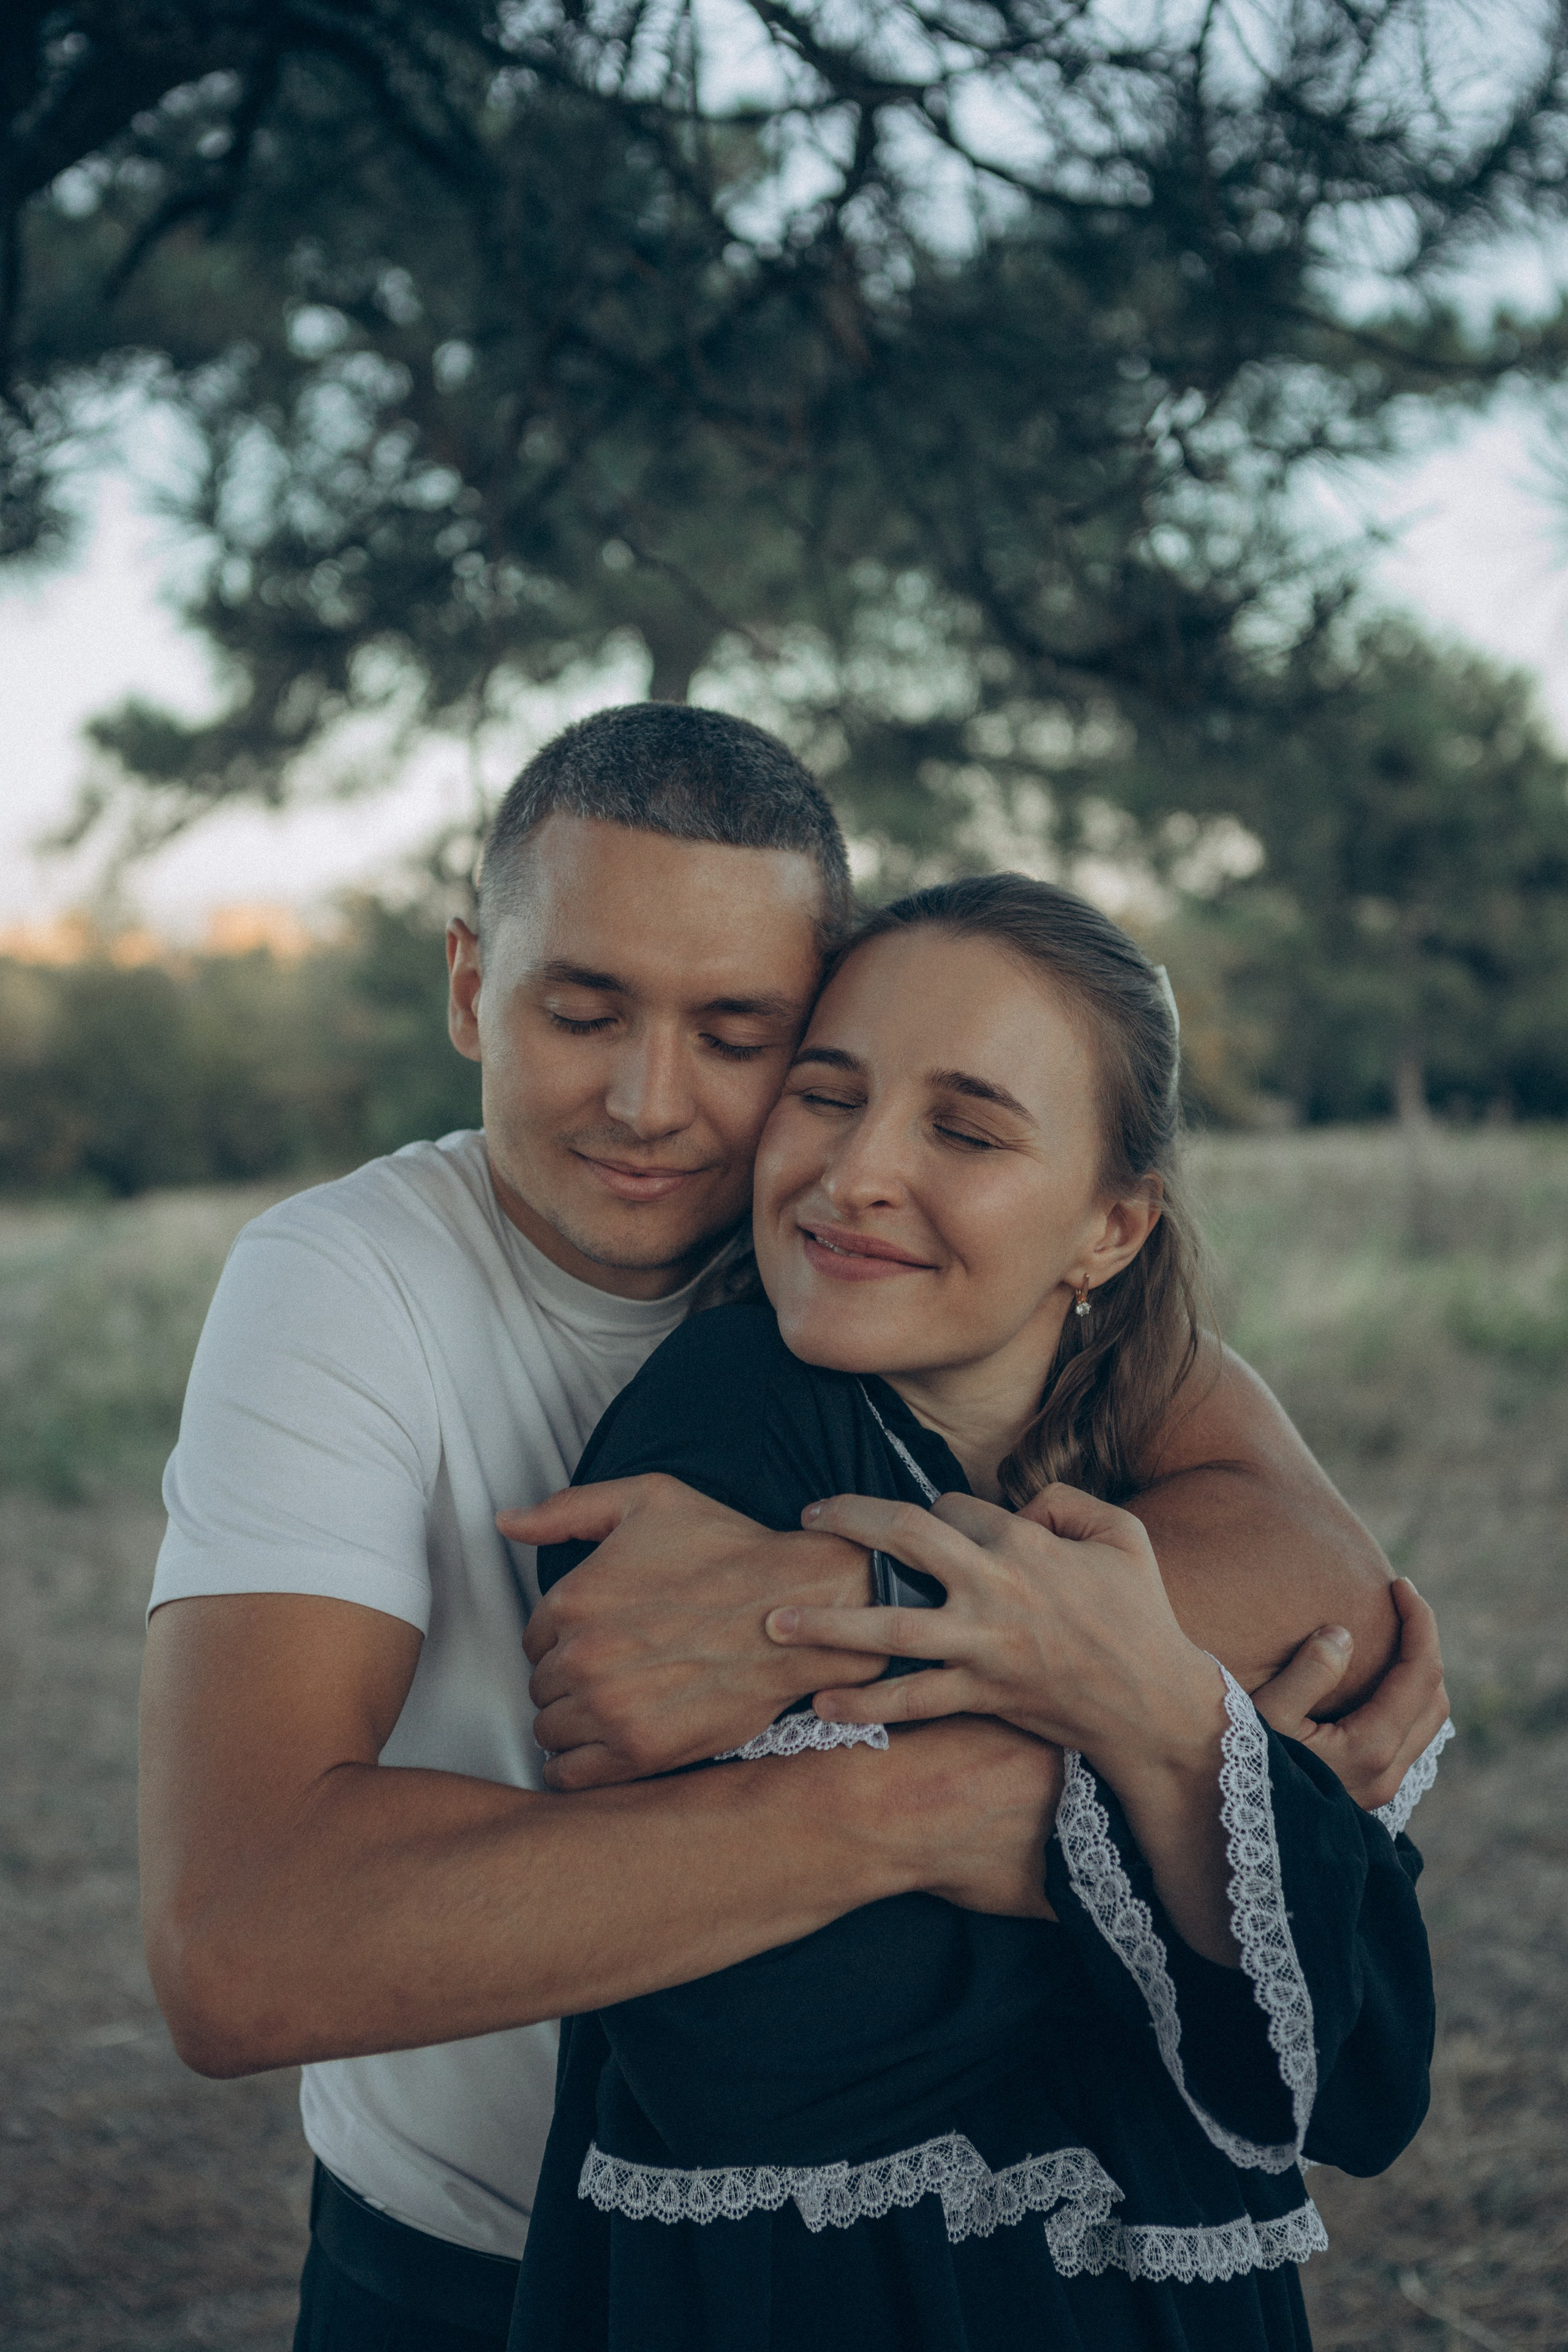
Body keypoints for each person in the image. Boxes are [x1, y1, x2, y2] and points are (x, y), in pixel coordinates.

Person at [137, 705, 1450, 2352]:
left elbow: (1316, 1571)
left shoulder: (891, 1274)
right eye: (581, 1011)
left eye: (739, 1033)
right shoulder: (347, 1281)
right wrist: (1002, 1797)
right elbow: (239, 1954)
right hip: (476, 2258)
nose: (649, 1101)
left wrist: (846, 1596)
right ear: (471, 986)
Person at [508, 874, 1436, 2352]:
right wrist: (1183, 1781)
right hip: (818, 2304)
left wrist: (1108, 1749)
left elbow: (1359, 2071)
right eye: (827, 1096)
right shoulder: (730, 1412)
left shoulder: (1150, 1455)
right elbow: (745, 2042)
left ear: (1109, 1229)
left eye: (966, 1129)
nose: (856, 1173)